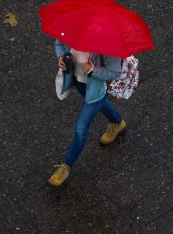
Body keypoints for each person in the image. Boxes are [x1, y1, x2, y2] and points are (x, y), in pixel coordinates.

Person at [49, 39, 127, 186]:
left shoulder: (108, 43)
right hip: (78, 82)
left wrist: (92, 70)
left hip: (94, 88)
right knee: (102, 102)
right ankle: (117, 123)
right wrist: (61, 56)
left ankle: (66, 165)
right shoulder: (74, 29)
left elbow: (115, 71)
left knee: (81, 128)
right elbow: (59, 42)